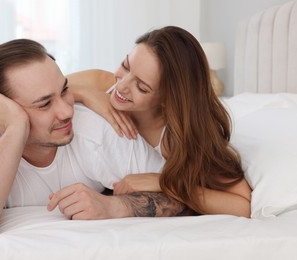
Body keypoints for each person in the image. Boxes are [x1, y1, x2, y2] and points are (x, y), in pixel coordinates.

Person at [0, 39, 189, 241]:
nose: (67, 112)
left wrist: (115, 207)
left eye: (65, 90)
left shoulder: (95, 130)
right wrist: (16, 130)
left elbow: (188, 198)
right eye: (44, 105)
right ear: (2, 112)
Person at [67, 26, 252, 217]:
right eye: (126, 65)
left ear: (166, 99)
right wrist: (84, 93)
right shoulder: (100, 81)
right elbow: (40, 94)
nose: (121, 86)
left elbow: (242, 204)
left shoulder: (176, 139)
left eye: (141, 87)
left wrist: (164, 182)